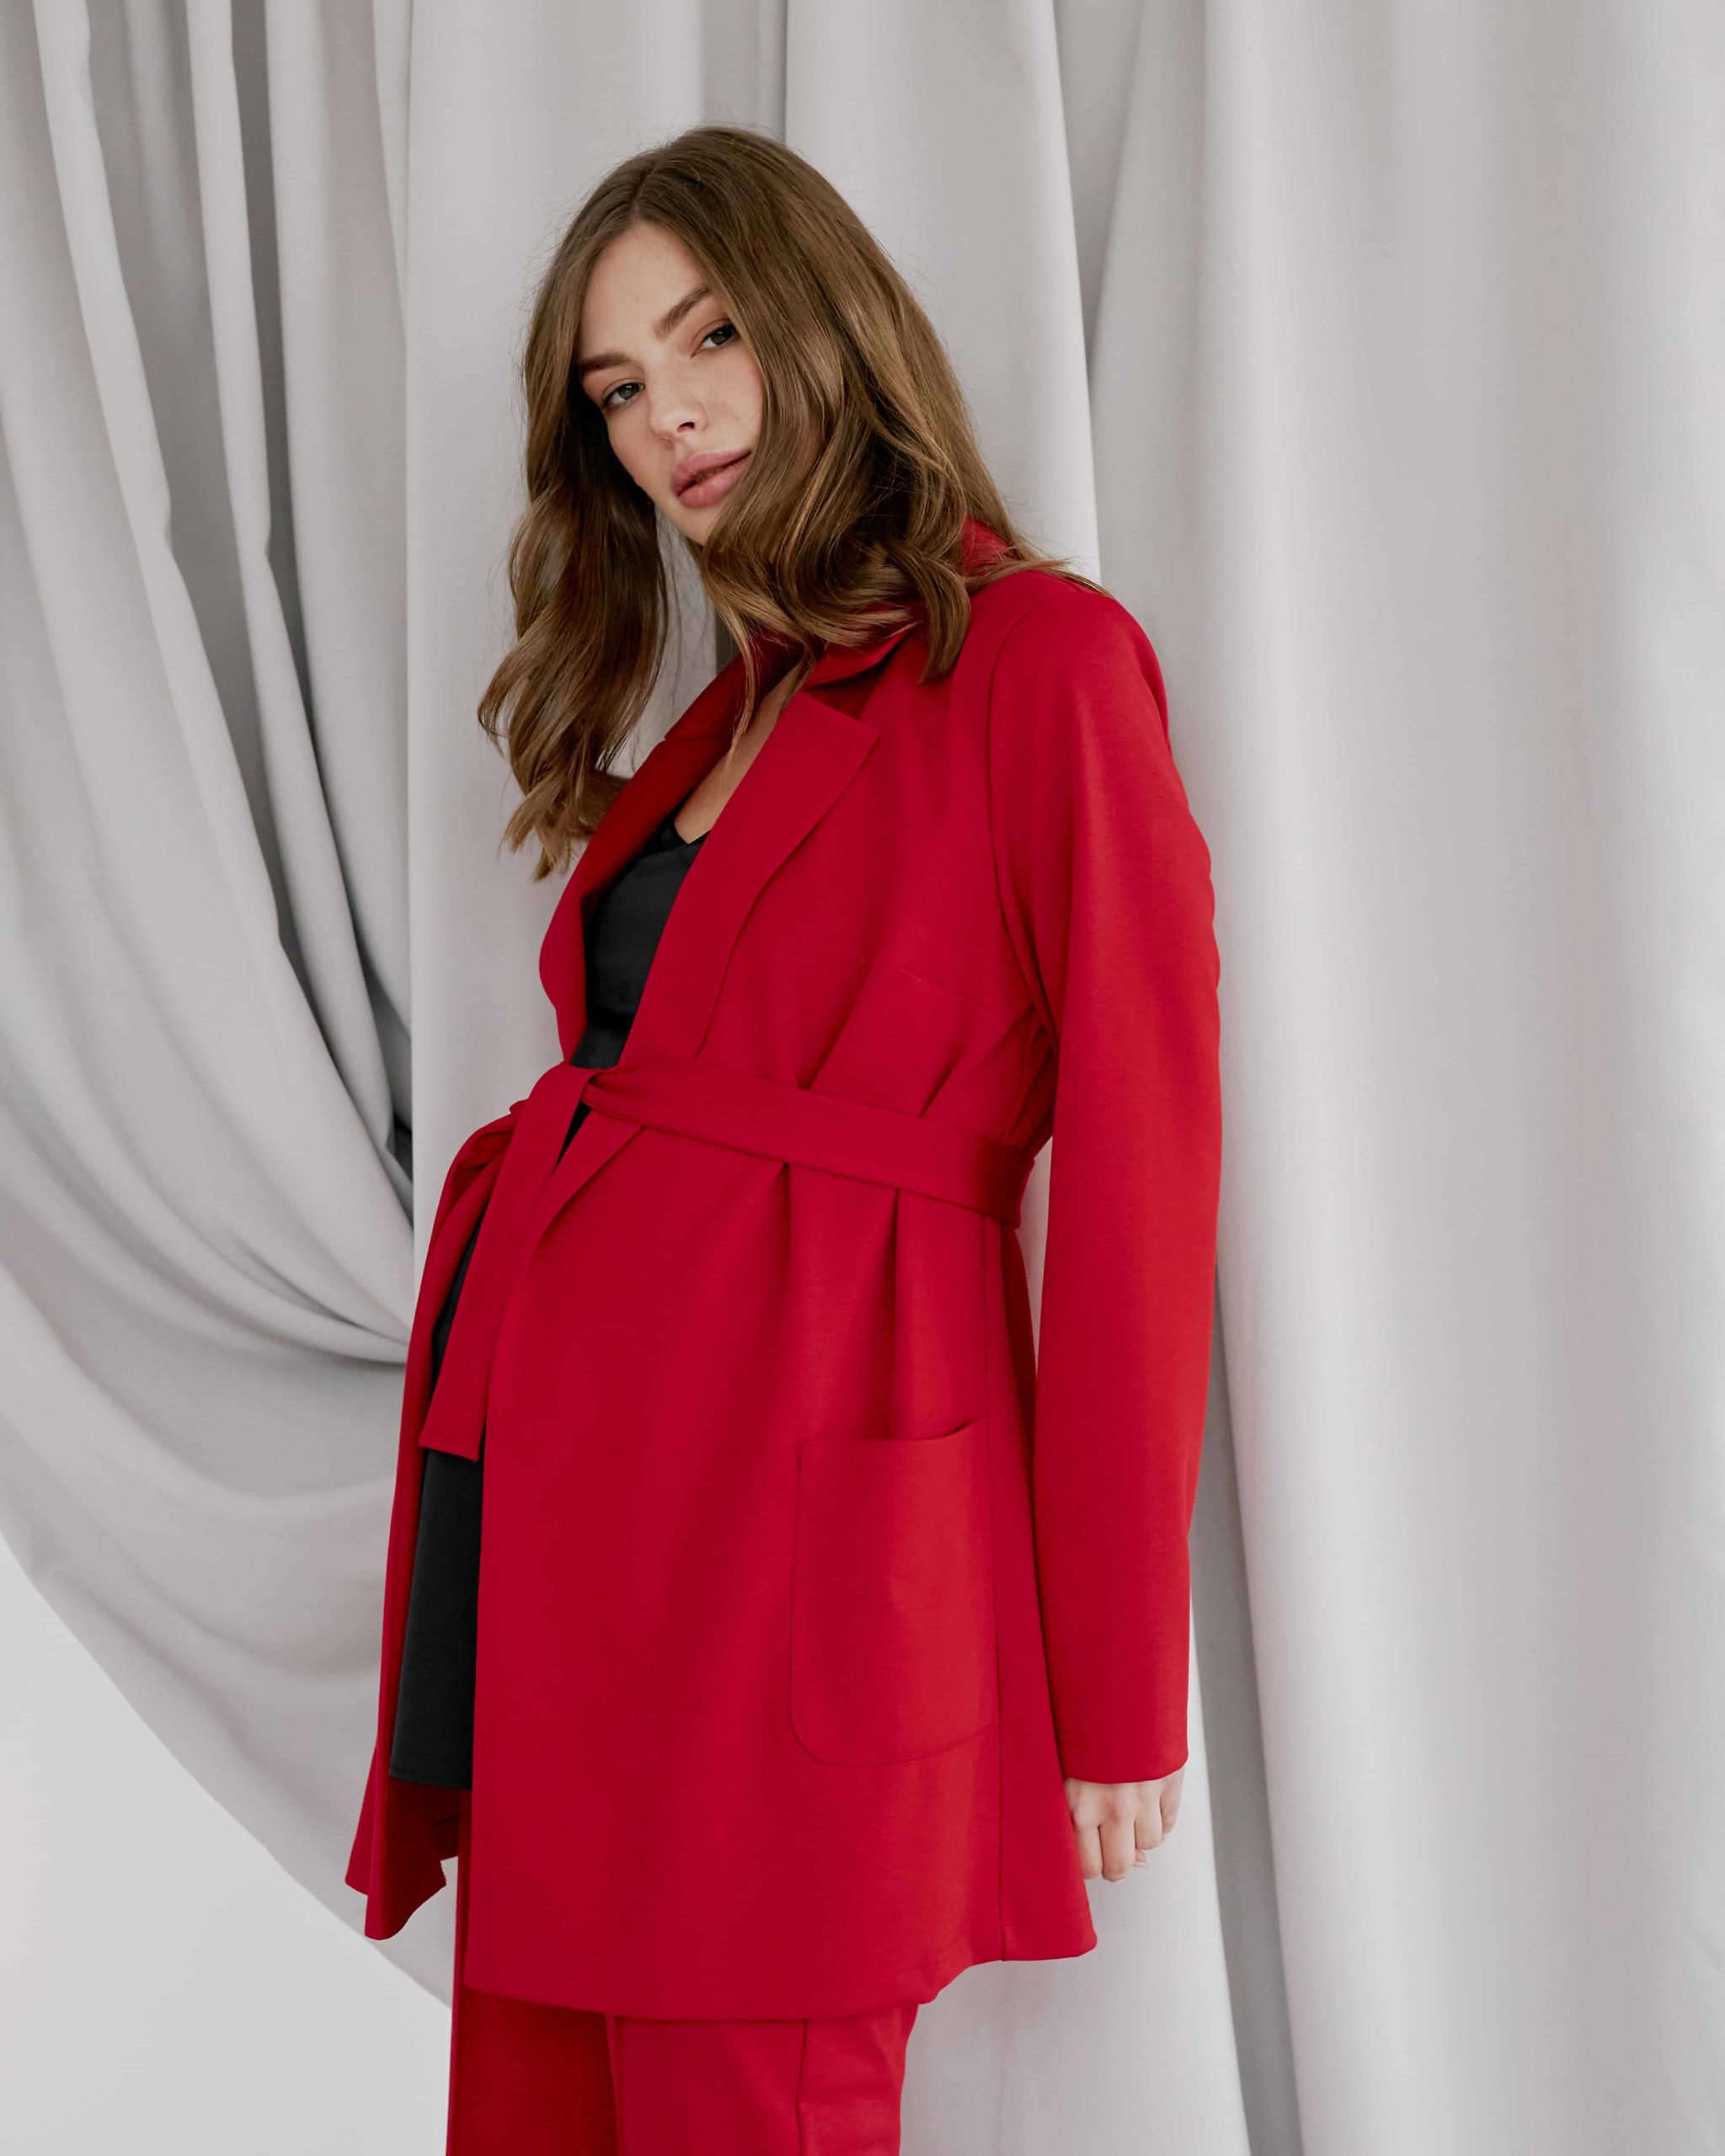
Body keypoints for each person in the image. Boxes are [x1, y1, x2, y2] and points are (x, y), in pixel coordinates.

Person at [345, 123, 1223, 2155]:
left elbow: (1142, 1184)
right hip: (577, 1563)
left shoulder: (1041, 663)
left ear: (826, 315)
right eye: (616, 388)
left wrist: (1115, 1681)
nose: (666, 415)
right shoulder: (732, 701)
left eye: (708, 336)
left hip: (798, 1558)